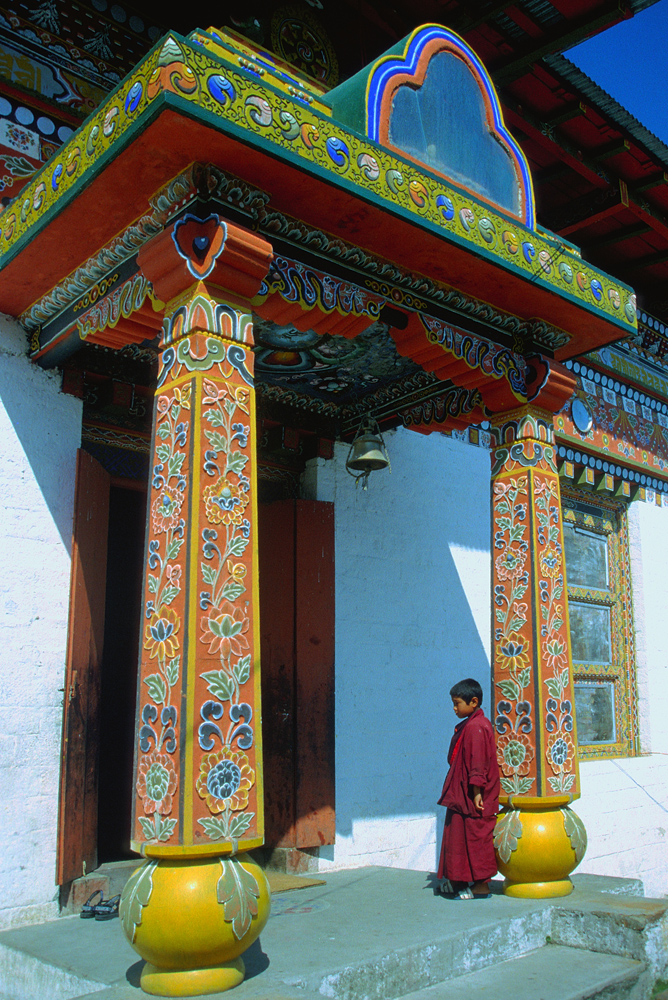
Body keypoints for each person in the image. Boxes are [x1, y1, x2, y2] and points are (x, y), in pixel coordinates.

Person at [436, 677, 500, 899]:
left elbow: (478, 762)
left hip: (474, 795)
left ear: (474, 702)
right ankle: (457, 880)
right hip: (462, 792)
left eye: (457, 703)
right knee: (457, 836)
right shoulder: (472, 724)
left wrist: (477, 792)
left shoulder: (477, 727)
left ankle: (481, 885)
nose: (454, 709)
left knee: (475, 836)